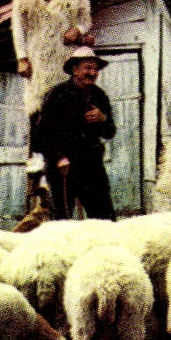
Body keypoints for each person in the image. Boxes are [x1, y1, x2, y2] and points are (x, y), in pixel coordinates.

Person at [10, 0, 93, 177]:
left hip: (64, 54)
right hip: (37, 53)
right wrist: (22, 57)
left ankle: (64, 153)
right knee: (37, 102)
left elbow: (86, 20)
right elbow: (18, 26)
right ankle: (37, 154)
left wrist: (77, 29)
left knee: (63, 103)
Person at [34, 46, 116, 221]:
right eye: (88, 68)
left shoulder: (99, 96)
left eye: (95, 69)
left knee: (105, 220)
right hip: (63, 168)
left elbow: (110, 133)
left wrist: (103, 118)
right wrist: (58, 158)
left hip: (91, 167)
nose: (92, 73)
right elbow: (41, 136)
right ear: (75, 69)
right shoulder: (56, 95)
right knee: (62, 223)